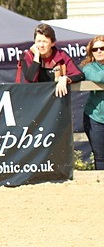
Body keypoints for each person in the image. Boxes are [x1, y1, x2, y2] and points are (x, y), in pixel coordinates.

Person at [15, 23, 83, 97]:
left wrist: (65, 78)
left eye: (45, 41)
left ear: (53, 43)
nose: (41, 45)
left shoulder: (61, 55)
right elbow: (31, 78)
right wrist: (36, 57)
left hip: (56, 101)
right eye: (38, 41)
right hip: (32, 100)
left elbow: (79, 75)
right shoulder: (26, 56)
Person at [81, 35, 104, 170]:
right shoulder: (89, 67)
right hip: (96, 118)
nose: (99, 51)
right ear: (91, 52)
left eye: (102, 47)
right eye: (95, 49)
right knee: (100, 157)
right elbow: (98, 77)